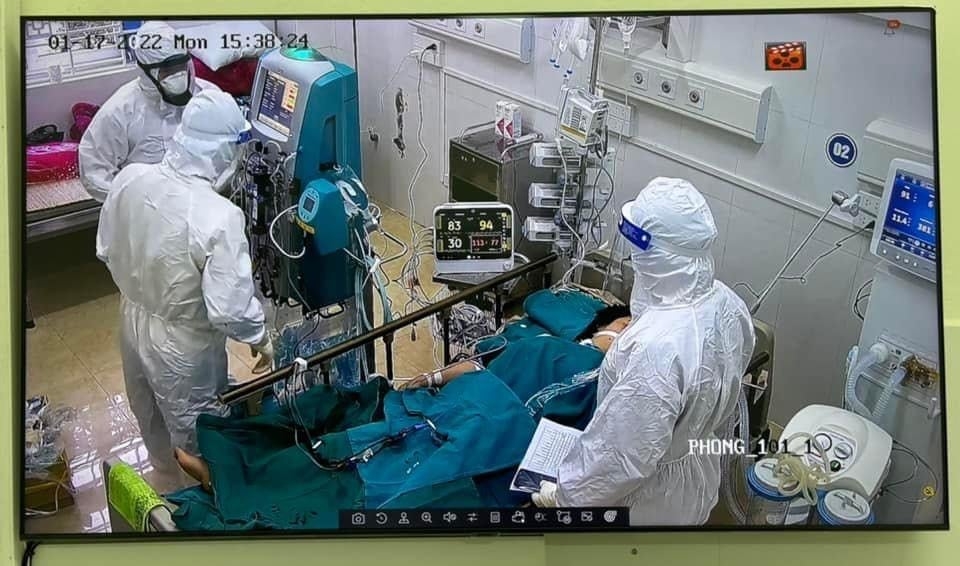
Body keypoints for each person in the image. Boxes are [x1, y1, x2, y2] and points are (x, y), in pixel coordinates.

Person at [172, 314, 633, 492]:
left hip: (500, 440)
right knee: (348, 446)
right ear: (603, 326)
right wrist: (431, 378)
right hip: (452, 408)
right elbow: (478, 365)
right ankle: (229, 474)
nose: (630, 328)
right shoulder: (539, 340)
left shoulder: (616, 383)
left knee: (406, 482)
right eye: (626, 321)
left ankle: (244, 496)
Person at [531, 177, 756, 526]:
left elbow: (621, 456)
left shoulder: (657, 349)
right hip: (695, 476)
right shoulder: (728, 303)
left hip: (647, 501)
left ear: (656, 254)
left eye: (636, 245)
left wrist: (565, 498)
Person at [96, 89, 273, 476]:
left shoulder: (129, 178)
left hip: (131, 319)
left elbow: (106, 248)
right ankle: (202, 495)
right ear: (221, 150)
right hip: (183, 344)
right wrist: (261, 337)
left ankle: (165, 477)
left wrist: (145, 286)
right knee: (196, 428)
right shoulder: (218, 216)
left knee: (149, 411)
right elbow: (229, 311)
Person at [79, 21, 218, 203]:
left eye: (180, 67)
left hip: (203, 205)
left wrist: (213, 191)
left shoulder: (209, 97)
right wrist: (136, 202)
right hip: (145, 211)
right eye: (167, 71)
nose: (178, 76)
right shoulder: (120, 111)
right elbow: (93, 170)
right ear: (147, 72)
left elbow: (231, 150)